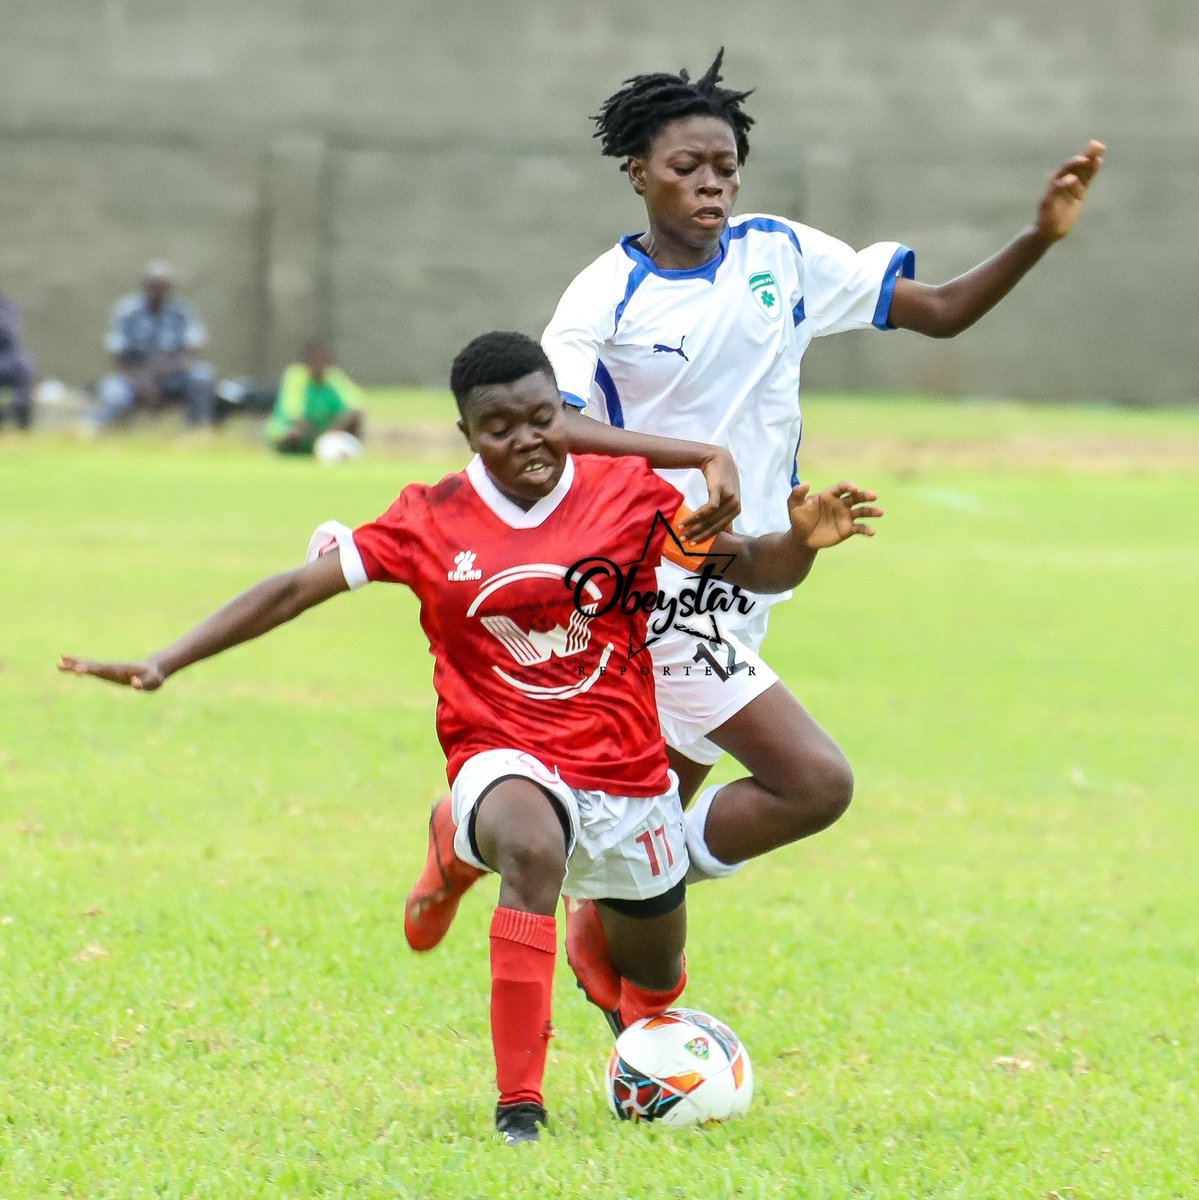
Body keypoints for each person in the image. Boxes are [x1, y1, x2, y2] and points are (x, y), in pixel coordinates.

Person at [59, 331, 882, 1143]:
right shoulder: (429, 517)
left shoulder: (630, 495)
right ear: (467, 435)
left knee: (652, 974)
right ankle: (518, 1107)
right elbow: (291, 592)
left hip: (627, 774)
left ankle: (461, 847)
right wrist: (165, 660)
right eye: (500, 427)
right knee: (530, 847)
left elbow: (742, 568)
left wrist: (803, 544)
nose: (527, 440)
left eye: (541, 418)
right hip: (503, 751)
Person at [407, 51, 1105, 1001]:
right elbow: (553, 421)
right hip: (657, 583)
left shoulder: (780, 253)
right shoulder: (603, 295)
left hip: (745, 570)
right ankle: (623, 952)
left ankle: (497, 860)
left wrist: (1037, 237)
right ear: (637, 173)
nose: (712, 183)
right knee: (810, 783)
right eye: (688, 166)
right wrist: (690, 458)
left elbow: (936, 311)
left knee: (643, 817)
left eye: (725, 166)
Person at [93, 260, 216, 429]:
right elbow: (119, 354)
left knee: (202, 375)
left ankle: (199, 430)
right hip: (136, 376)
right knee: (113, 392)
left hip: (173, 374)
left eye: (163, 287)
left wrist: (165, 370)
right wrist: (141, 381)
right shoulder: (127, 311)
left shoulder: (182, 312)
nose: (158, 292)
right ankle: (99, 431)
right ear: (145, 286)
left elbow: (191, 351)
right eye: (153, 286)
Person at [265, 339, 366, 455]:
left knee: (354, 422)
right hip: (301, 430)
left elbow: (356, 407)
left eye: (324, 362)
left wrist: (334, 429)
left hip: (326, 429)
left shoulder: (333, 377)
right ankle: (291, 452)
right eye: (317, 361)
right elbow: (293, 412)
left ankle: (341, 449)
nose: (321, 366)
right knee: (294, 431)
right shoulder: (297, 376)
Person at [0, 289, 36, 431]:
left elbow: (10, 334)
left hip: (7, 357)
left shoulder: (7, 306)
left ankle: (22, 415)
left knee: (25, 363)